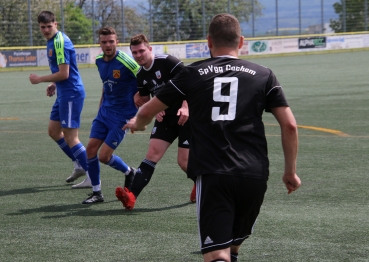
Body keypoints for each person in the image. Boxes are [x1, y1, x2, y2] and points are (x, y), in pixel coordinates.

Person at [123, 14, 301, 262]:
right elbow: (290, 125)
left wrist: (139, 123)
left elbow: (147, 110)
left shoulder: (193, 73)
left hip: (214, 172)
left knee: (218, 254)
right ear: (241, 41)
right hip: (254, 174)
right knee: (234, 248)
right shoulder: (264, 74)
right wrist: (290, 172)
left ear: (208, 41)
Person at [114, 34, 196, 210]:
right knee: (152, 153)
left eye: (141, 51)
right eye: (134, 53)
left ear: (150, 49)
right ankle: (131, 196)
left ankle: (203, 184)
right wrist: (153, 109)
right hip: (165, 117)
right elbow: (144, 98)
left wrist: (186, 106)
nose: (138, 55)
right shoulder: (141, 74)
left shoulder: (168, 61)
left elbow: (191, 83)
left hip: (186, 116)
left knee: (184, 162)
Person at [79, 26, 140, 204]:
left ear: (117, 42)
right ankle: (97, 193)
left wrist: (140, 99)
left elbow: (145, 78)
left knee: (104, 156)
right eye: (104, 42)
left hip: (122, 116)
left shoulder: (127, 62)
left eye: (111, 41)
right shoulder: (99, 61)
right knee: (90, 149)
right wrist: (100, 109)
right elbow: (106, 86)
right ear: (99, 42)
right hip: (104, 113)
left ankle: (130, 171)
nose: (108, 45)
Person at [29, 11, 89, 187]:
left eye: (49, 26)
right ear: (39, 27)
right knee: (54, 132)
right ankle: (79, 164)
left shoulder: (59, 42)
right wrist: (54, 84)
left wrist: (40, 79)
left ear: (56, 24)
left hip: (71, 93)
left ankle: (93, 176)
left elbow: (64, 73)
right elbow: (61, 73)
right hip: (63, 91)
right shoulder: (52, 41)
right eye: (43, 27)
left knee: (72, 137)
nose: (46, 30)